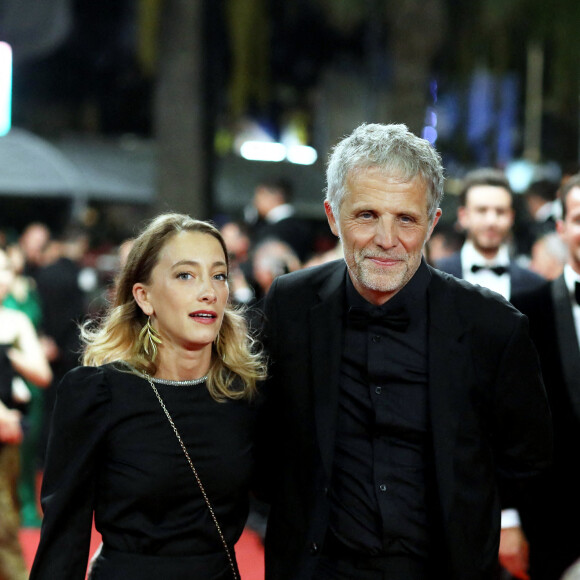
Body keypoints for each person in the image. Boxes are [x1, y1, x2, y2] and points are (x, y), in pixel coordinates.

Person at [256, 123, 552, 580]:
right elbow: (257, 435)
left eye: (406, 219)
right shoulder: (291, 305)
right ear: (333, 217)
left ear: (432, 223)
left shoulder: (494, 327)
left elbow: (530, 462)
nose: (386, 239)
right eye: (367, 215)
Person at [30, 213, 266, 580]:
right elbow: (64, 537)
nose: (208, 290)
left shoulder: (244, 395)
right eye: (185, 275)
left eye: (219, 275)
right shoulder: (97, 393)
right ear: (145, 296)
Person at [511, 173, 580, 580]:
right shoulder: (526, 310)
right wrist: (509, 517)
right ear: (562, 227)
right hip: (551, 522)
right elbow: (509, 424)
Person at [0, 246, 52, 580]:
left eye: (8, 270)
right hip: (6, 424)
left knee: (8, 519)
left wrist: (7, 355)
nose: (5, 277)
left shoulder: (15, 321)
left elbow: (43, 374)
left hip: (9, 435)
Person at [436, 168, 545, 301]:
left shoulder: (534, 284)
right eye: (482, 210)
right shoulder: (436, 275)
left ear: (511, 218)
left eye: (500, 212)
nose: (491, 221)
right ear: (463, 216)